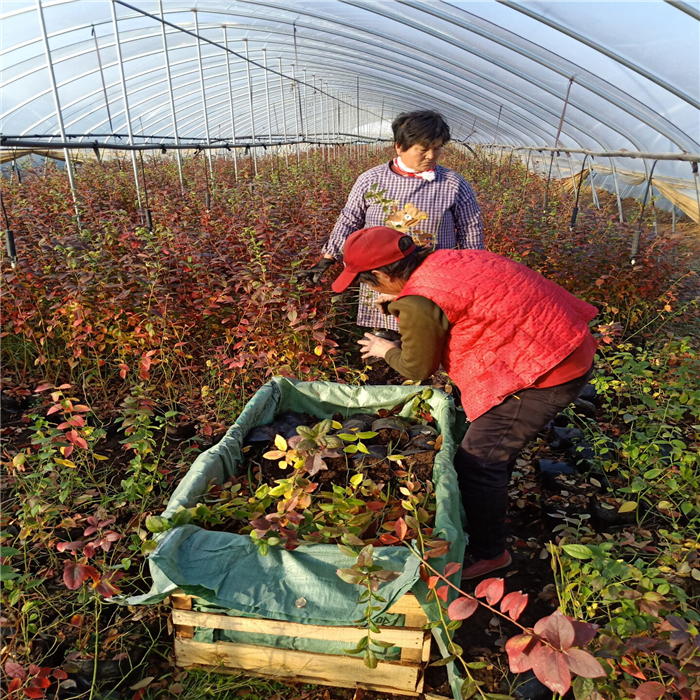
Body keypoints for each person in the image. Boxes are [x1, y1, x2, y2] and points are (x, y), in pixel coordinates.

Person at [329, 226, 598, 580]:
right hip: (562, 342)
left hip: (546, 373)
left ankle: (490, 554)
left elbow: (418, 367)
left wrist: (386, 349)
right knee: (492, 449)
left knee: (478, 462)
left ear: (381, 274)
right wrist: (404, 318)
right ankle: (490, 503)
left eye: (369, 284)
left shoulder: (419, 299)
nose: (372, 291)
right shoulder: (449, 259)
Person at [299, 110, 483, 333]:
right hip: (383, 276)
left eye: (438, 148)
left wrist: (475, 270)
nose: (431, 156)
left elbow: (470, 229)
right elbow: (350, 219)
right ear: (399, 146)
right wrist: (328, 258)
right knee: (385, 331)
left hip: (434, 275)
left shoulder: (452, 183)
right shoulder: (371, 180)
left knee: (429, 331)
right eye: (423, 149)